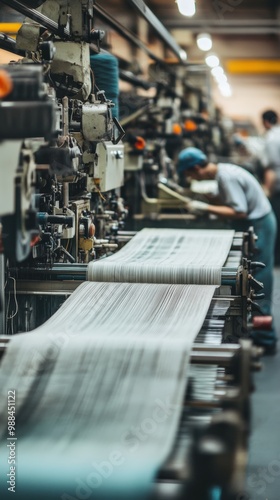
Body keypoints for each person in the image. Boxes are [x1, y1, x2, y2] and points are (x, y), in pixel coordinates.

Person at [177, 147, 277, 353]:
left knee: (260, 281)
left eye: (189, 174)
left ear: (196, 168)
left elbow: (239, 211)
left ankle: (265, 338)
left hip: (259, 225)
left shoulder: (225, 177)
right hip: (257, 222)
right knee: (254, 278)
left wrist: (204, 207)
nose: (190, 178)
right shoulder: (223, 172)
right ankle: (256, 330)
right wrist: (208, 198)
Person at [261, 109, 280, 265]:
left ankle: (277, 259)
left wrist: (267, 191)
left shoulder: (271, 138)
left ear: (265, 122)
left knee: (276, 221)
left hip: (278, 187)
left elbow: (271, 169)